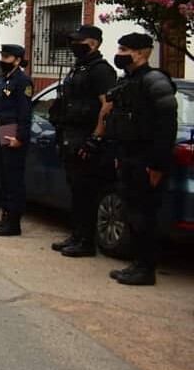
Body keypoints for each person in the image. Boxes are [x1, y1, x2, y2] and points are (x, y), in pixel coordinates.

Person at [103, 33, 177, 286]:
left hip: (146, 159)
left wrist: (157, 165)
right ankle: (137, 264)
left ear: (141, 53)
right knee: (133, 213)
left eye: (125, 49)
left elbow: (167, 126)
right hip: (128, 156)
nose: (120, 53)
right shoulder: (129, 81)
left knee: (145, 216)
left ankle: (146, 269)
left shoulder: (155, 81)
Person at [49, 26, 116, 257]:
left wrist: (96, 137)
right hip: (70, 134)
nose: (74, 44)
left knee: (86, 191)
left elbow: (107, 105)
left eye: (79, 41)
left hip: (85, 135)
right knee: (76, 190)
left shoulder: (101, 71)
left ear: (94, 43)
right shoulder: (80, 67)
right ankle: (77, 234)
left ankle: (86, 241)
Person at [0, 45, 33, 237]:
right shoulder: (3, 80)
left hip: (11, 130)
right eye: (2, 56)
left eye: (7, 57)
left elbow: (24, 112)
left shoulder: (22, 81)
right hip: (0, 128)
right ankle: (4, 216)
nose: (3, 60)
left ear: (18, 60)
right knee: (2, 175)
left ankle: (13, 222)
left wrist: (20, 137)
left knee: (13, 178)